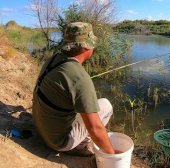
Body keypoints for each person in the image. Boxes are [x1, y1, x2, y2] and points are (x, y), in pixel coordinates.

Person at [32, 22, 117, 156]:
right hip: (58, 142)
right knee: (106, 105)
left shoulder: (54, 59)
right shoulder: (80, 78)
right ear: (85, 47)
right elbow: (95, 128)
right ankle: (79, 146)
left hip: (41, 129)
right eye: (92, 43)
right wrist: (113, 155)